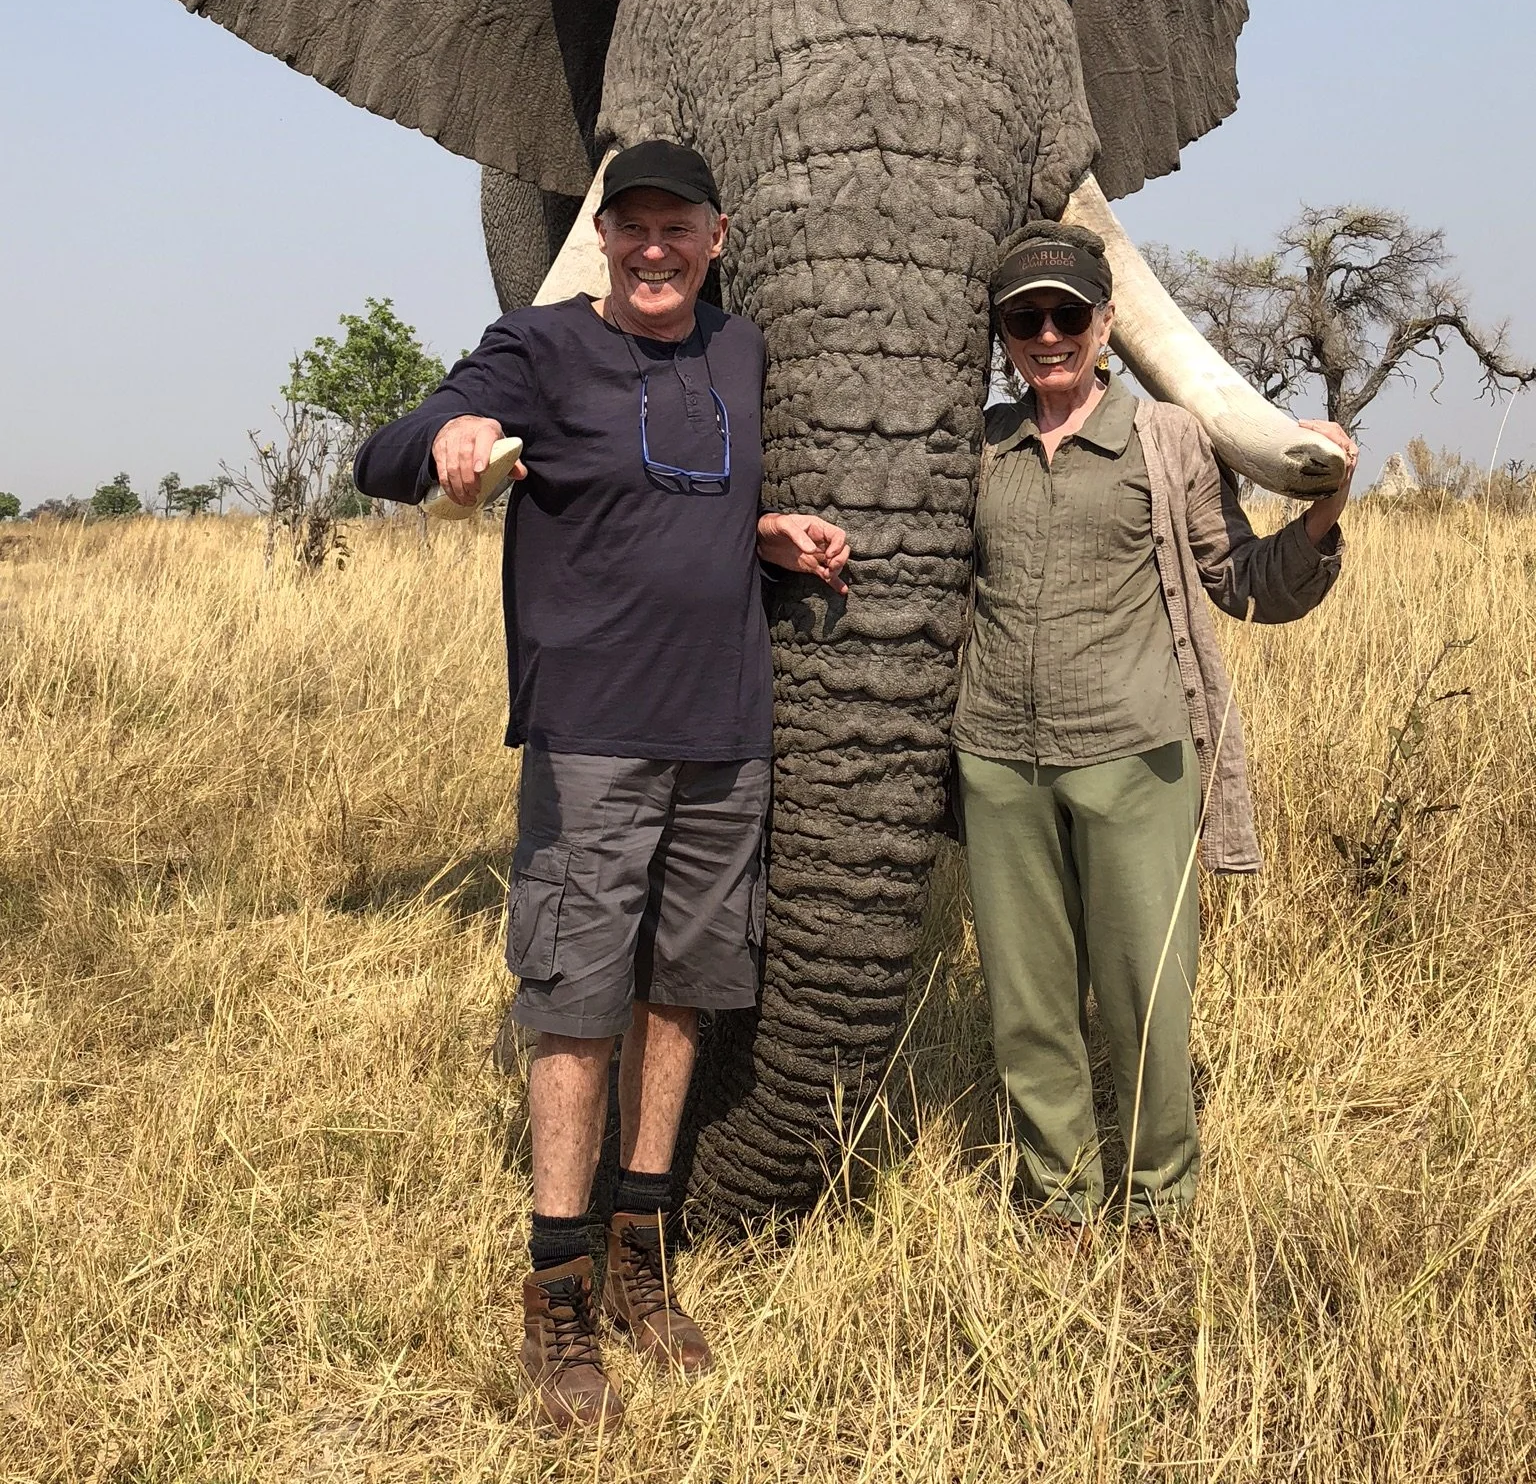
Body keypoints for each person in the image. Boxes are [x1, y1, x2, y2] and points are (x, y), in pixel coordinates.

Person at [355, 141, 848, 1430]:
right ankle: (558, 1284)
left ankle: (643, 1249)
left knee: (683, 987)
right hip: (592, 735)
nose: (652, 249)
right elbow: (385, 447)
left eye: (674, 227)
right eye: (630, 227)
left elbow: (677, 503)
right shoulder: (539, 344)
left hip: (725, 728)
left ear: (716, 234)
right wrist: (448, 437)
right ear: (602, 236)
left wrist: (767, 533)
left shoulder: (735, 351)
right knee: (576, 998)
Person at [951, 221, 1356, 1229]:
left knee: (1146, 1000)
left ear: (1106, 321)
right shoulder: (982, 450)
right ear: (1004, 332)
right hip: (999, 758)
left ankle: (1159, 1196)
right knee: (1031, 1002)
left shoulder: (1164, 438)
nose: (1048, 335)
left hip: (1137, 753)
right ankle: (1059, 1192)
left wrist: (1318, 520)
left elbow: (1243, 581)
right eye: (1024, 317)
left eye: (1068, 314)